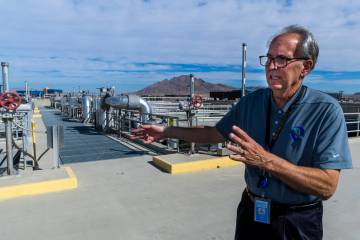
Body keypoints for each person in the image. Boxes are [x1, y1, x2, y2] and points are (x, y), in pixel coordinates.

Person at [131, 25, 352, 240]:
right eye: (269, 58)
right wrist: (167, 131)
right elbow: (214, 134)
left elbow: (327, 185)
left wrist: (267, 161)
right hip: (252, 211)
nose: (271, 66)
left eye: (282, 59)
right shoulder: (252, 102)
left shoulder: (325, 111)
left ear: (306, 67)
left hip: (297, 220)